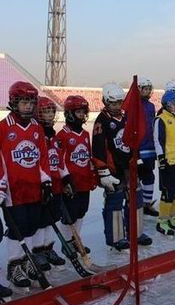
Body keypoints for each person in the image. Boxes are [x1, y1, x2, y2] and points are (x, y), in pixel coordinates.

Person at [0, 81, 50, 292]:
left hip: (33, 189)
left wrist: (45, 180)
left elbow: (42, 158)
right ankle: (14, 265)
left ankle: (27, 261)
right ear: (14, 102)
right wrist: (1, 186)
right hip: (13, 190)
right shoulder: (3, 128)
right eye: (23, 102)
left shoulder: (37, 128)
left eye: (31, 102)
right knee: (16, 229)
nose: (28, 106)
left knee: (31, 226)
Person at [92, 83, 152, 251]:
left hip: (128, 167)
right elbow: (98, 149)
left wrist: (137, 159)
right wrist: (103, 173)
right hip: (113, 170)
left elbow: (134, 139)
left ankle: (136, 233)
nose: (117, 106)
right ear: (105, 101)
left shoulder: (126, 117)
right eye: (113, 103)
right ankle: (116, 238)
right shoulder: (101, 121)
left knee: (136, 200)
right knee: (115, 204)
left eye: (119, 102)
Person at [57, 95, 97, 256]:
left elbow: (88, 157)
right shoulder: (63, 135)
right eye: (79, 112)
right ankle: (66, 243)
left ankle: (76, 239)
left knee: (81, 211)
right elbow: (59, 161)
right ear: (70, 113)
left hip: (84, 181)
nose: (82, 115)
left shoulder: (85, 134)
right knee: (70, 214)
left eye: (83, 112)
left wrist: (93, 176)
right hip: (71, 183)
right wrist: (65, 181)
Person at [33, 96, 68, 271]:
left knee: (52, 218)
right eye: (45, 112)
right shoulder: (37, 134)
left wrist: (66, 178)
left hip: (55, 185)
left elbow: (59, 160)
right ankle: (38, 251)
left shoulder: (53, 135)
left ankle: (48, 248)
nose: (48, 115)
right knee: (41, 220)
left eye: (50, 112)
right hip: (42, 186)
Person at [153, 91, 175, 235]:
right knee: (168, 192)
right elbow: (157, 140)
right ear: (166, 105)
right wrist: (161, 158)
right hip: (169, 162)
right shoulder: (160, 119)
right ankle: (162, 220)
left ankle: (173, 216)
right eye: (174, 104)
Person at [137, 77, 158, 217]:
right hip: (139, 148)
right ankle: (136, 204)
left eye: (149, 89)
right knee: (137, 178)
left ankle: (146, 203)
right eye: (145, 89)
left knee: (149, 177)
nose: (148, 91)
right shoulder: (134, 105)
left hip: (150, 147)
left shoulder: (151, 106)